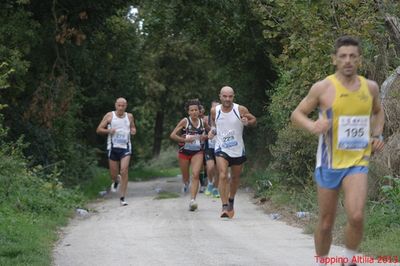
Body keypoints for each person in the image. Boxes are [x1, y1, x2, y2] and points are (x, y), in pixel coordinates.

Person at [290, 36, 385, 266]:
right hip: (329, 162)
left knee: (356, 215)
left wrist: (377, 136)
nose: (348, 61)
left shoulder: (369, 87)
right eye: (343, 56)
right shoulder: (323, 87)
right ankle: (322, 261)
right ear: (335, 59)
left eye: (353, 56)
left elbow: (378, 111)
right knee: (325, 222)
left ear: (359, 59)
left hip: (357, 161)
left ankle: (349, 260)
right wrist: (313, 126)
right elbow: (296, 115)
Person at [208, 86, 257, 218]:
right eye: (225, 96)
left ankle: (231, 201)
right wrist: (212, 131)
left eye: (230, 96)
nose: (227, 99)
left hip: (237, 148)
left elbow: (254, 120)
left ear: (233, 97)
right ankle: (224, 206)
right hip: (221, 147)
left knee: (235, 178)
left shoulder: (240, 109)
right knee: (223, 175)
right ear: (220, 96)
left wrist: (247, 122)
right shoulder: (214, 111)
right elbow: (214, 124)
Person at [96, 97, 137, 206]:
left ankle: (122, 197)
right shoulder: (110, 116)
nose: (121, 108)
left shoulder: (129, 116)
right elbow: (99, 129)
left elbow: (133, 127)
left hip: (126, 147)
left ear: (126, 106)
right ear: (115, 105)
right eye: (119, 105)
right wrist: (109, 130)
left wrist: (133, 131)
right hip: (113, 147)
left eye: (123, 106)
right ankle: (116, 180)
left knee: (124, 170)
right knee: (114, 174)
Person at [170, 99, 207, 211]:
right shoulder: (185, 121)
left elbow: (210, 133)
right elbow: (172, 135)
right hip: (184, 152)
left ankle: (192, 200)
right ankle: (186, 184)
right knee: (186, 177)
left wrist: (206, 136)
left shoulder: (203, 122)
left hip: (197, 151)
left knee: (195, 174)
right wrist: (184, 140)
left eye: (196, 110)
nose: (194, 112)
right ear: (188, 112)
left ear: (199, 111)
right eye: (192, 110)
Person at [203, 100, 220, 198]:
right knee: (210, 167)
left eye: (217, 108)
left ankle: (215, 189)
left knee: (218, 170)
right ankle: (210, 183)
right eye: (213, 108)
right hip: (209, 146)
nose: (215, 110)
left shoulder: (223, 118)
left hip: (220, 147)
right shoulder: (206, 119)